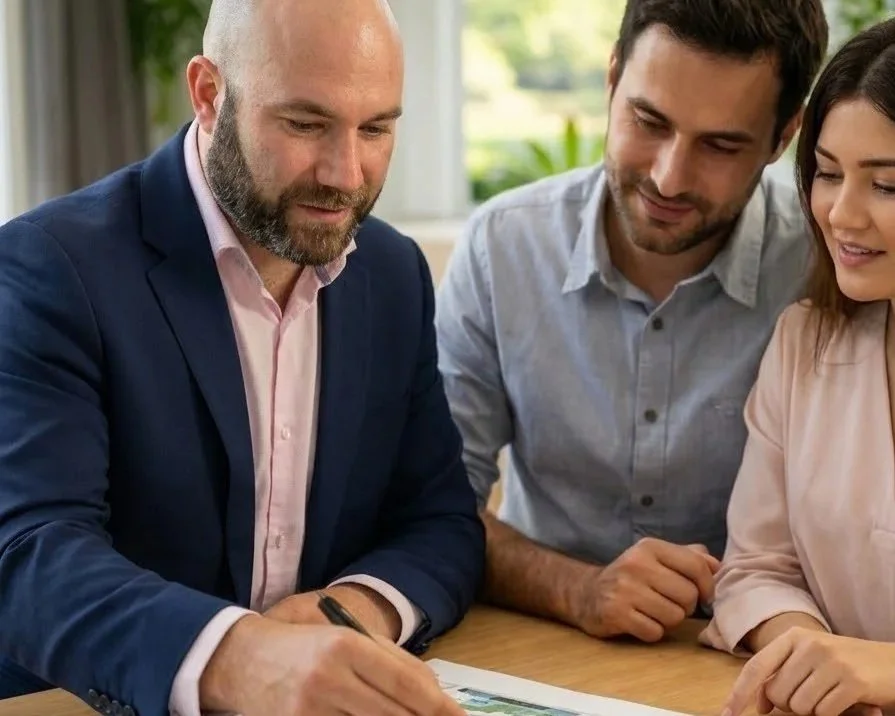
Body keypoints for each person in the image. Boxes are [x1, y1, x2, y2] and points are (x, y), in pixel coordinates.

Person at [0, 1, 483, 715]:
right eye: (305, 124)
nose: (345, 174)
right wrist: (241, 657)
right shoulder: (50, 266)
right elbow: (28, 552)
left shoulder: (391, 274)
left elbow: (439, 519)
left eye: (376, 128)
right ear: (207, 94)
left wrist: (344, 615)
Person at [436, 0, 828, 645]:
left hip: (756, 658)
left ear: (783, 137)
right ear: (613, 78)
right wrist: (577, 590)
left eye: (721, 145)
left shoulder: (827, 271)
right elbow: (438, 504)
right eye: (649, 121)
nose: (669, 177)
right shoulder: (501, 246)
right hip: (542, 640)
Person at [702, 17, 895, 716]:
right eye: (826, 173)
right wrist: (806, 654)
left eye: (887, 185)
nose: (839, 213)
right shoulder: (802, 341)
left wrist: (883, 671)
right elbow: (757, 568)